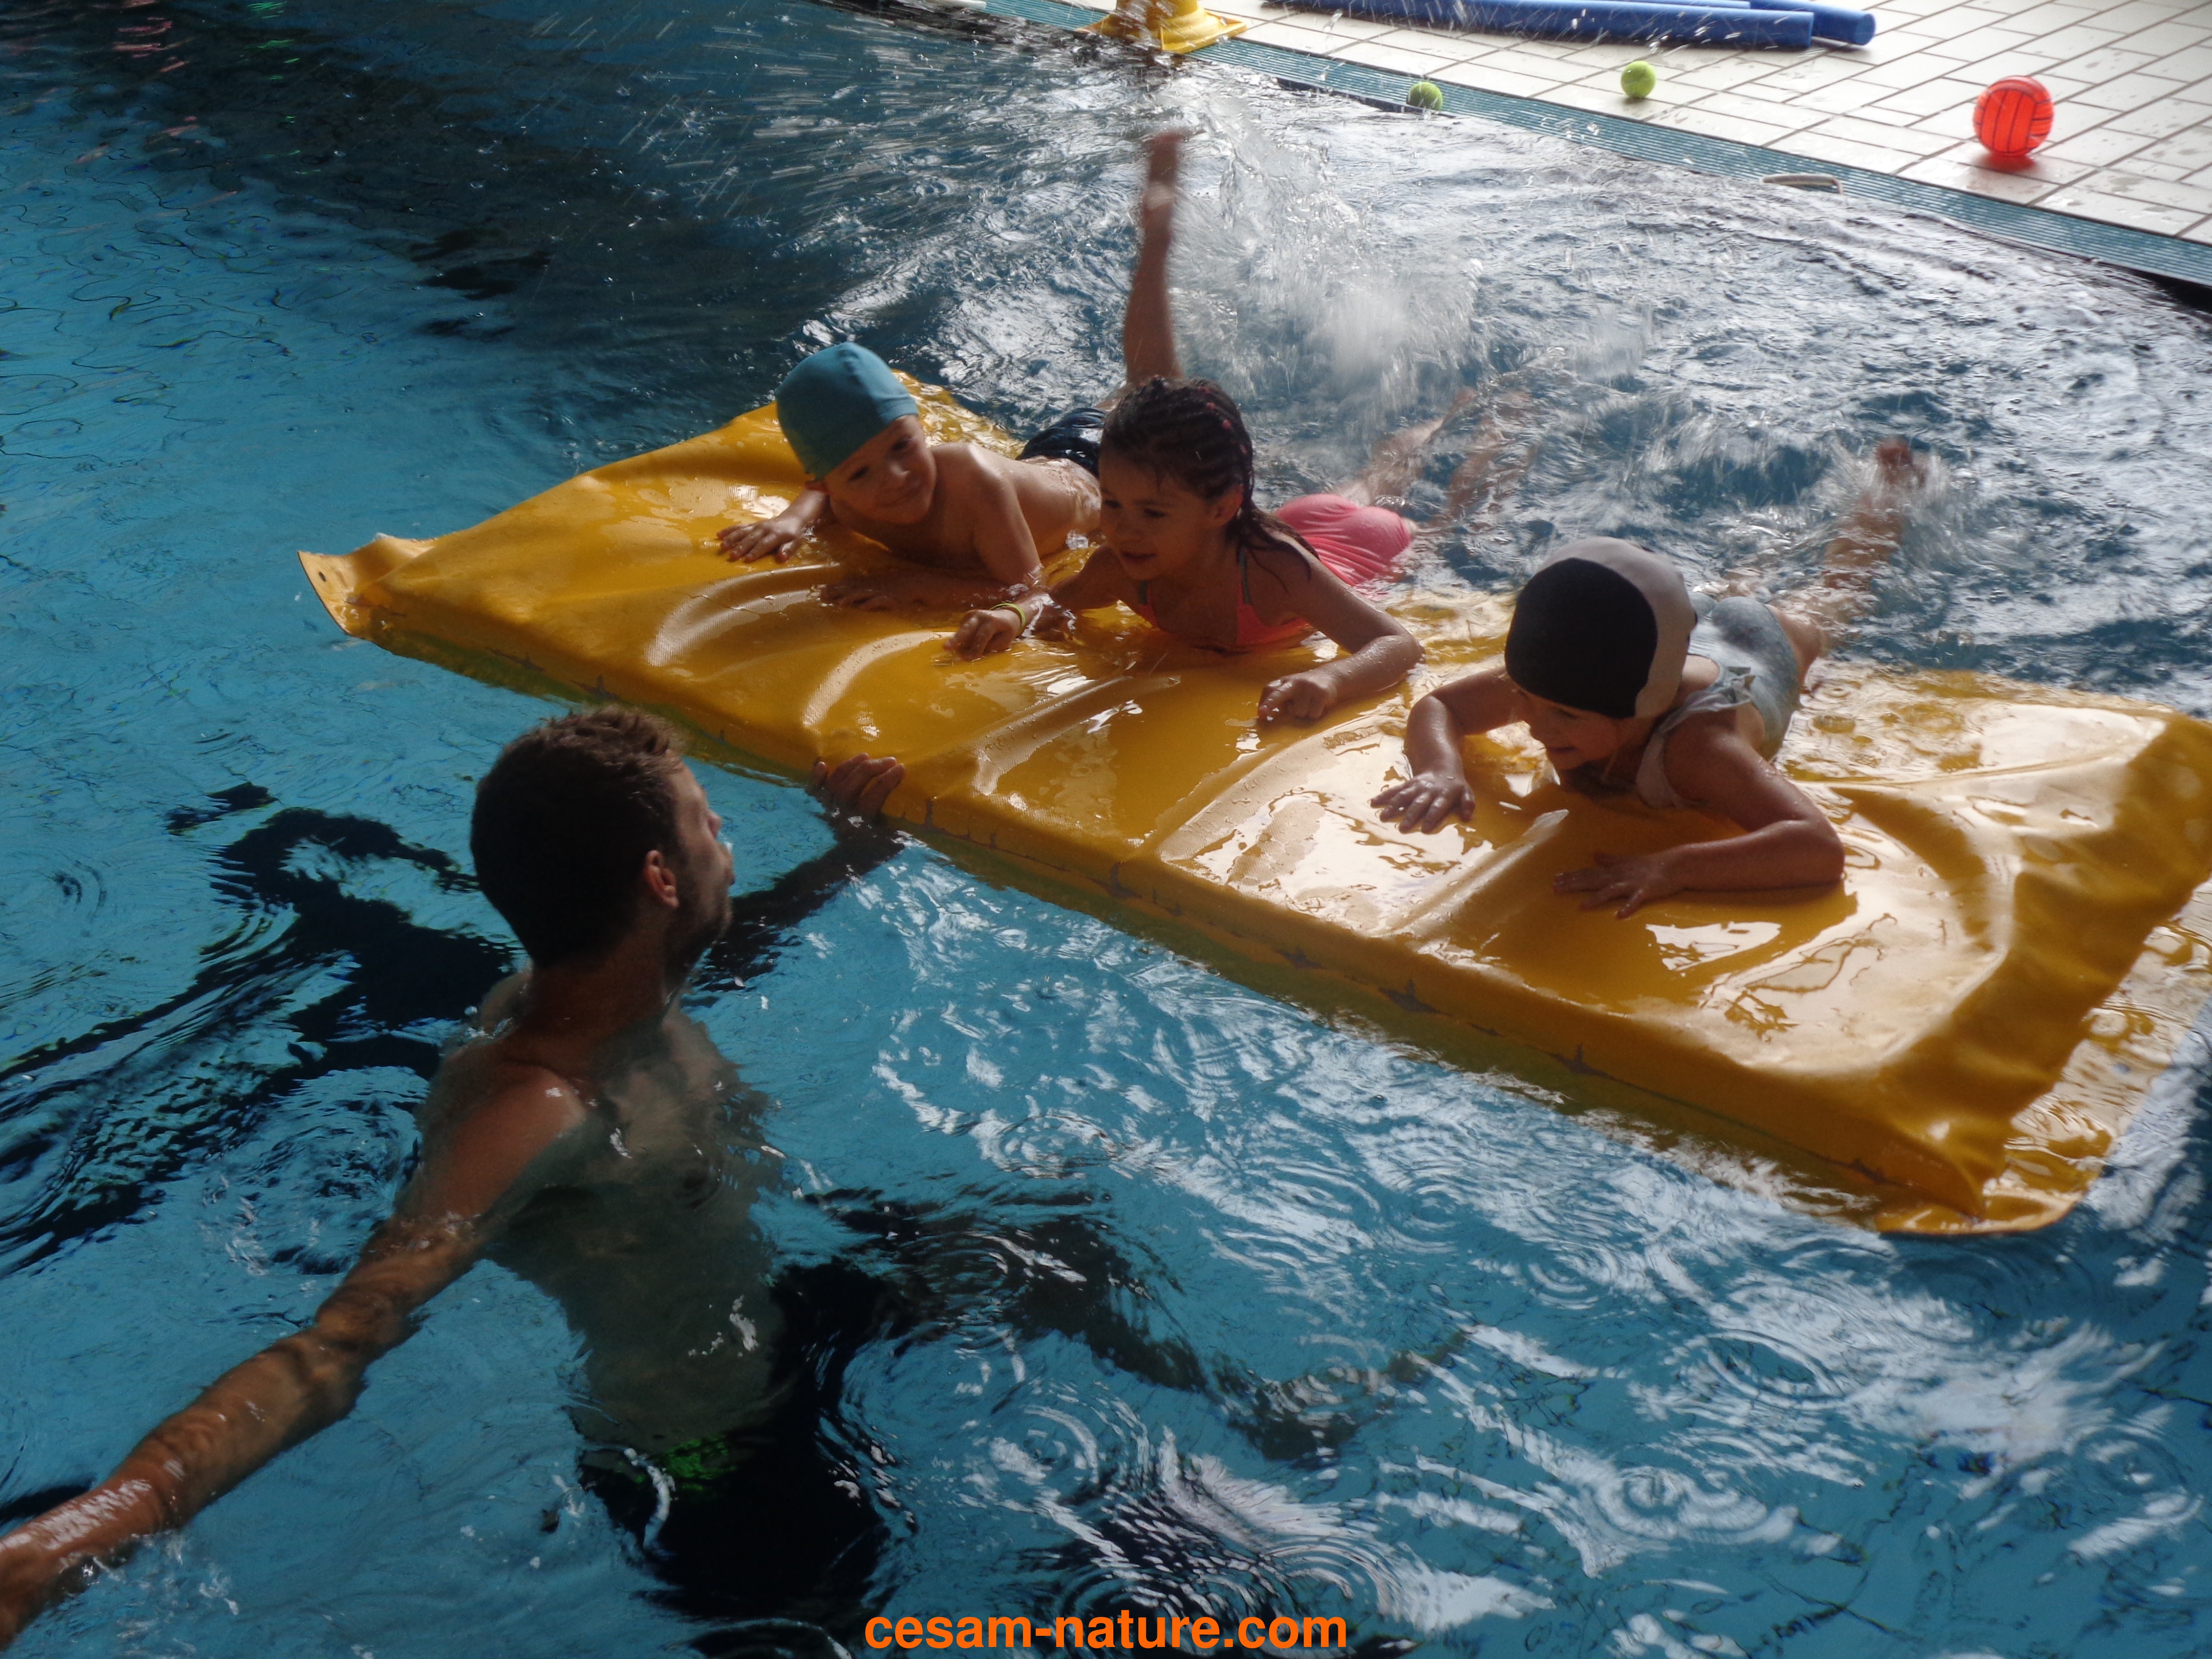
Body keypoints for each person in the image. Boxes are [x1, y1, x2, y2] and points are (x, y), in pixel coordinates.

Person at [0, 711, 908, 1648]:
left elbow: (719, 944)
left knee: (997, 1257)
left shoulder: (600, 985)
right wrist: (83, 1531)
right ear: (659, 879)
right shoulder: (539, 1111)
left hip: (780, 1316)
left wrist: (850, 854)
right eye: (705, 820)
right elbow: (336, 1346)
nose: (723, 833)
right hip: (709, 1455)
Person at [947, 131, 1437, 726]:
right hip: (1277, 522)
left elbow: (1398, 645)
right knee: (1357, 482)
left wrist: (1331, 678)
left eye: (1151, 513)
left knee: (1396, 490)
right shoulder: (1122, 564)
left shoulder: (1275, 574)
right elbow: (1052, 599)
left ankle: (1454, 423)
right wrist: (1013, 616)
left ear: (1221, 506)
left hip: (1364, 547)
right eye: (1111, 503)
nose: (1122, 529)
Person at [1372, 440, 1929, 917]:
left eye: (1565, 715)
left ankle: (1884, 501)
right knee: (1709, 595)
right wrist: (1441, 769)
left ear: (1644, 708)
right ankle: (1745, 572)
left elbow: (1816, 847)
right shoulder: (1558, 681)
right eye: (1523, 698)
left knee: (1833, 596)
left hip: (1763, 643)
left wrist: (1673, 867)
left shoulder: (1698, 749)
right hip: (1678, 632)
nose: (1536, 726)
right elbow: (1442, 706)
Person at [714, 340, 1103, 611]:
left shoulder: (973, 480)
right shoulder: (846, 503)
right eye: (861, 473)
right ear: (829, 487)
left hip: (1101, 468)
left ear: (921, 426)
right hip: (1044, 461)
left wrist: (919, 588)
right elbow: (826, 497)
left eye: (902, 445)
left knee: (1132, 395)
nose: (896, 478)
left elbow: (1029, 589)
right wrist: (793, 521)